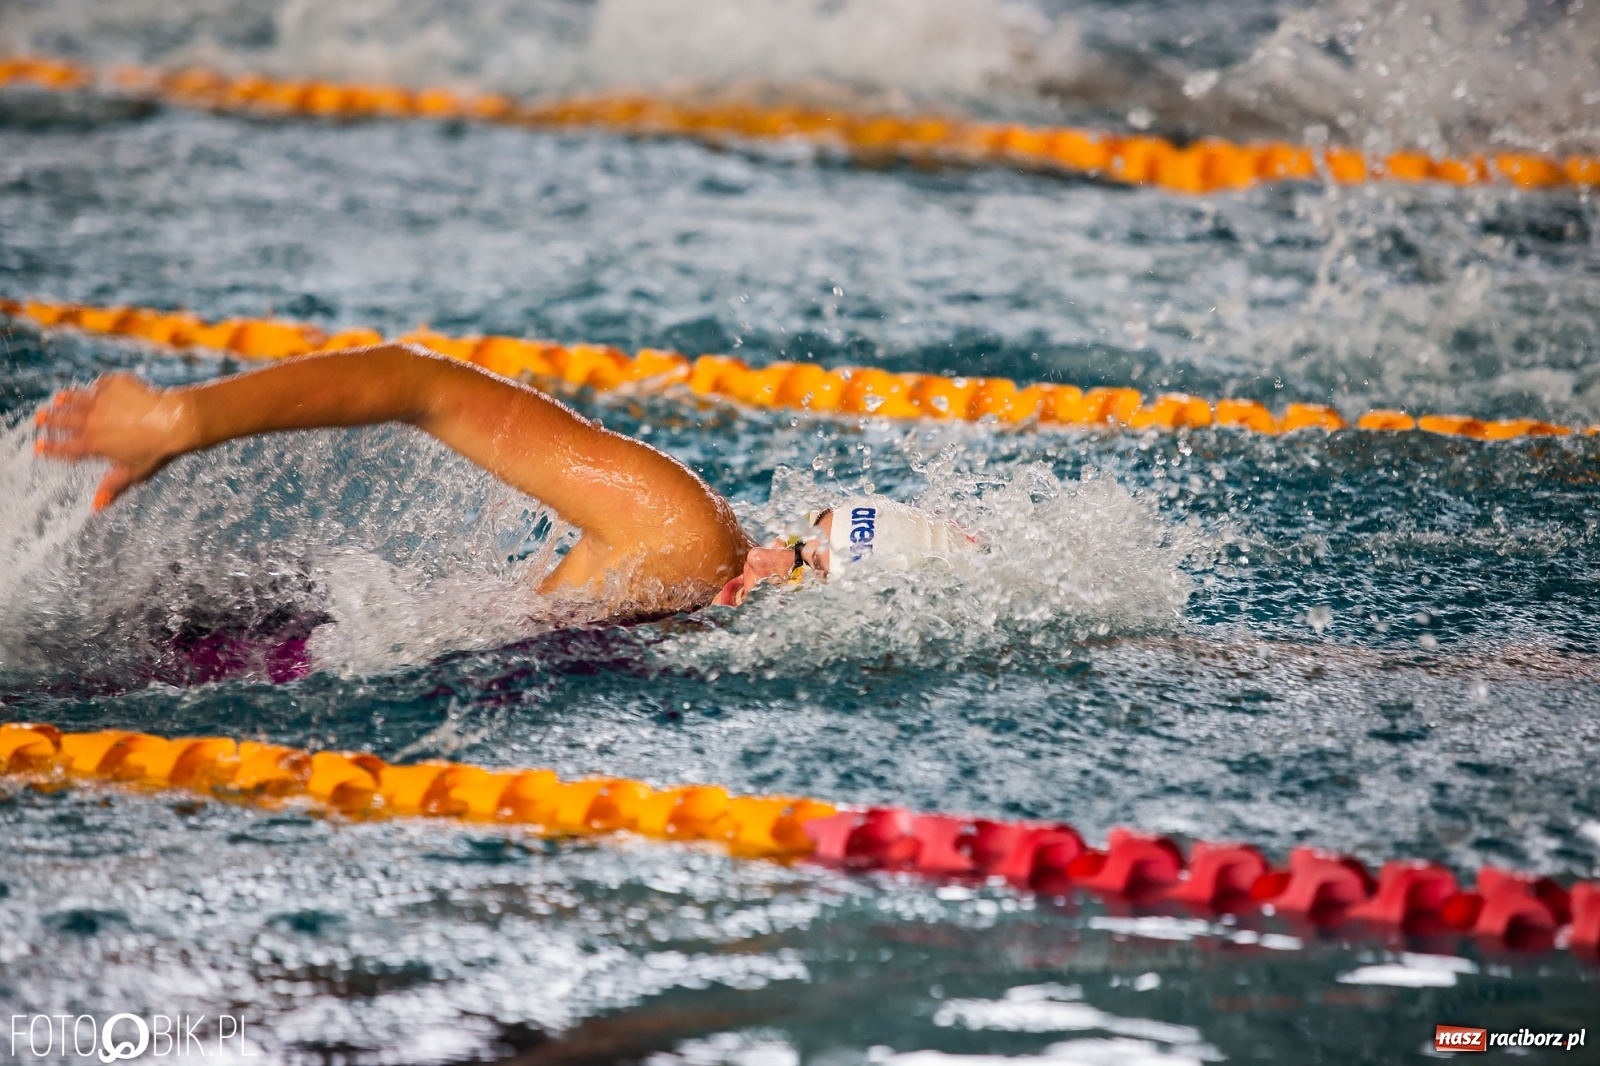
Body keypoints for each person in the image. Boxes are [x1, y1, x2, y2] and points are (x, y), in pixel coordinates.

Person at [34, 342, 969, 623]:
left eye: (801, 568)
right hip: (277, 633)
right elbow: (422, 384)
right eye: (794, 537)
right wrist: (184, 419)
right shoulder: (691, 540)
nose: (762, 560)